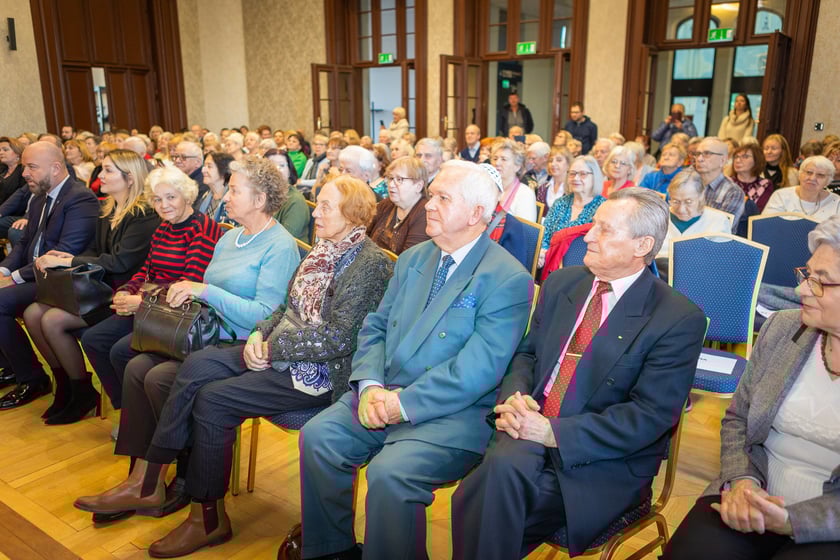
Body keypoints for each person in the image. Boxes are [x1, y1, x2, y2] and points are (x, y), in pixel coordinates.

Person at [75, 175, 393, 557]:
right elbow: (284, 308)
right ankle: (152, 477)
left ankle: (205, 517)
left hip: (318, 373)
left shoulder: (369, 263)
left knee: (213, 400)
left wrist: (272, 348)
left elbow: (342, 338)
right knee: (194, 366)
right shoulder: (321, 250)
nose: (316, 213)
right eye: (319, 203)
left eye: (325, 206)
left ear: (354, 215)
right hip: (277, 351)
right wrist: (260, 335)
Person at [281, 160, 532, 560]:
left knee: (390, 474)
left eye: (442, 198)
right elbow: (375, 326)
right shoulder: (416, 259)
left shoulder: (507, 278)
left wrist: (403, 404)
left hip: (450, 413)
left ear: (476, 214)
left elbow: (478, 370)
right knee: (321, 436)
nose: (429, 205)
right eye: (431, 195)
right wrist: (370, 385)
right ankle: (332, 550)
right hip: (384, 391)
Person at [451, 187, 707, 559]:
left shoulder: (676, 318)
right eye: (593, 226)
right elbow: (526, 355)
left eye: (604, 229)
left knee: (482, 495)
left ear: (642, 245)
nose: (587, 235)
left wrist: (552, 432)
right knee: (499, 480)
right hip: (529, 426)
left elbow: (648, 417)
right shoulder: (562, 283)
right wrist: (516, 397)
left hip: (600, 458)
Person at [74, 156, 299, 526]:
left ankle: (171, 478)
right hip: (205, 332)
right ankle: (140, 479)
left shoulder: (279, 246)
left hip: (241, 343)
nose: (226, 195)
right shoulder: (230, 237)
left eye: (236, 189)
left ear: (259, 199)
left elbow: (263, 316)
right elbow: (199, 291)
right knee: (135, 366)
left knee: (158, 377)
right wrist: (189, 293)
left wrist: (204, 290)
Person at [663, 215, 840, 559]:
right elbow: (737, 421)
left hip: (827, 522)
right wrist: (742, 481)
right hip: (752, 491)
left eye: (822, 281)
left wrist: (792, 520)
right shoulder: (783, 328)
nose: (802, 289)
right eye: (807, 274)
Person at [22, 149, 160, 425]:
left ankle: (82, 390)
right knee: (32, 313)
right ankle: (66, 387)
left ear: (129, 178)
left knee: (51, 320)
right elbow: (96, 250)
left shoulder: (144, 214)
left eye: (108, 170)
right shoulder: (108, 208)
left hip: (121, 293)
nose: (101, 176)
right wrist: (65, 258)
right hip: (99, 288)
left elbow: (121, 262)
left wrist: (72, 259)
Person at [80, 167, 222, 412]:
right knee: (93, 339)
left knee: (119, 351)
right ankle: (129, 411)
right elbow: (146, 270)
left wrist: (142, 301)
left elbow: (189, 283)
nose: (163, 205)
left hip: (177, 314)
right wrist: (126, 290)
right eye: (157, 199)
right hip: (153, 307)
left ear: (187, 197)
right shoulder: (164, 228)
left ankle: (140, 415)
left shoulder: (201, 229)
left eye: (171, 197)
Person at [0, 142, 99, 410]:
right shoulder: (40, 197)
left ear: (56, 168)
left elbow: (65, 254)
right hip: (37, 276)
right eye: (24, 167)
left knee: (1, 303)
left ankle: (32, 378)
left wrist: (16, 278)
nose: (24, 174)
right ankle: (31, 373)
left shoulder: (80, 198)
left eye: (32, 167)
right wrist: (4, 270)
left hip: (61, 280)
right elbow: (24, 244)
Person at [656, 169, 733, 270]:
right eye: (675, 201)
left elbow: (721, 263)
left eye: (688, 202)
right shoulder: (658, 218)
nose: (681, 209)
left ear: (701, 195)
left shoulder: (718, 221)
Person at [539, 155, 606, 265]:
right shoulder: (560, 203)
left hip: (584, 268)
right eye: (572, 173)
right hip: (551, 263)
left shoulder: (603, 208)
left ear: (594, 177)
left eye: (583, 174)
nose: (576, 178)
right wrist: (542, 253)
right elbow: (545, 236)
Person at [368, 156, 429, 255]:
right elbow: (364, 236)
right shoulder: (386, 204)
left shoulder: (425, 214)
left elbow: (408, 259)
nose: (391, 184)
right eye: (391, 178)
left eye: (399, 179)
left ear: (418, 186)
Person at [763, 156, 840, 221]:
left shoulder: (836, 202)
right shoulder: (781, 196)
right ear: (800, 174)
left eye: (820, 175)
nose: (812, 178)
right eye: (809, 172)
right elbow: (766, 225)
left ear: (828, 181)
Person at [694, 137, 745, 233]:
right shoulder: (688, 184)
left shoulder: (733, 192)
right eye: (697, 154)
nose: (700, 159)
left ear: (723, 160)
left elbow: (721, 229)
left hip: (713, 244)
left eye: (707, 154)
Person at [265, 149, 310, 243]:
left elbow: (285, 240)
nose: (276, 169)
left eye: (281, 165)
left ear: (289, 171)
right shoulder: (261, 196)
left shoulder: (295, 201)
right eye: (270, 165)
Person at [492, 138, 537, 222]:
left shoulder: (525, 194)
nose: (497, 163)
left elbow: (524, 232)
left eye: (503, 159)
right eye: (495, 159)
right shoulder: (488, 188)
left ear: (517, 166)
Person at [730, 143, 774, 212]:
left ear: (757, 160)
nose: (738, 160)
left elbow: (758, 212)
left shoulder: (765, 184)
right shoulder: (728, 182)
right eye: (736, 157)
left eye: (745, 156)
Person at [196, 151, 236, 224]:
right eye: (204, 166)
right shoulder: (206, 195)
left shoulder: (232, 199)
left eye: (209, 166)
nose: (203, 170)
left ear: (223, 169)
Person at [171, 141, 209, 209]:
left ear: (197, 162)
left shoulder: (203, 182)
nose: (177, 161)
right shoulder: (178, 178)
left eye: (183, 157)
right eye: (176, 156)